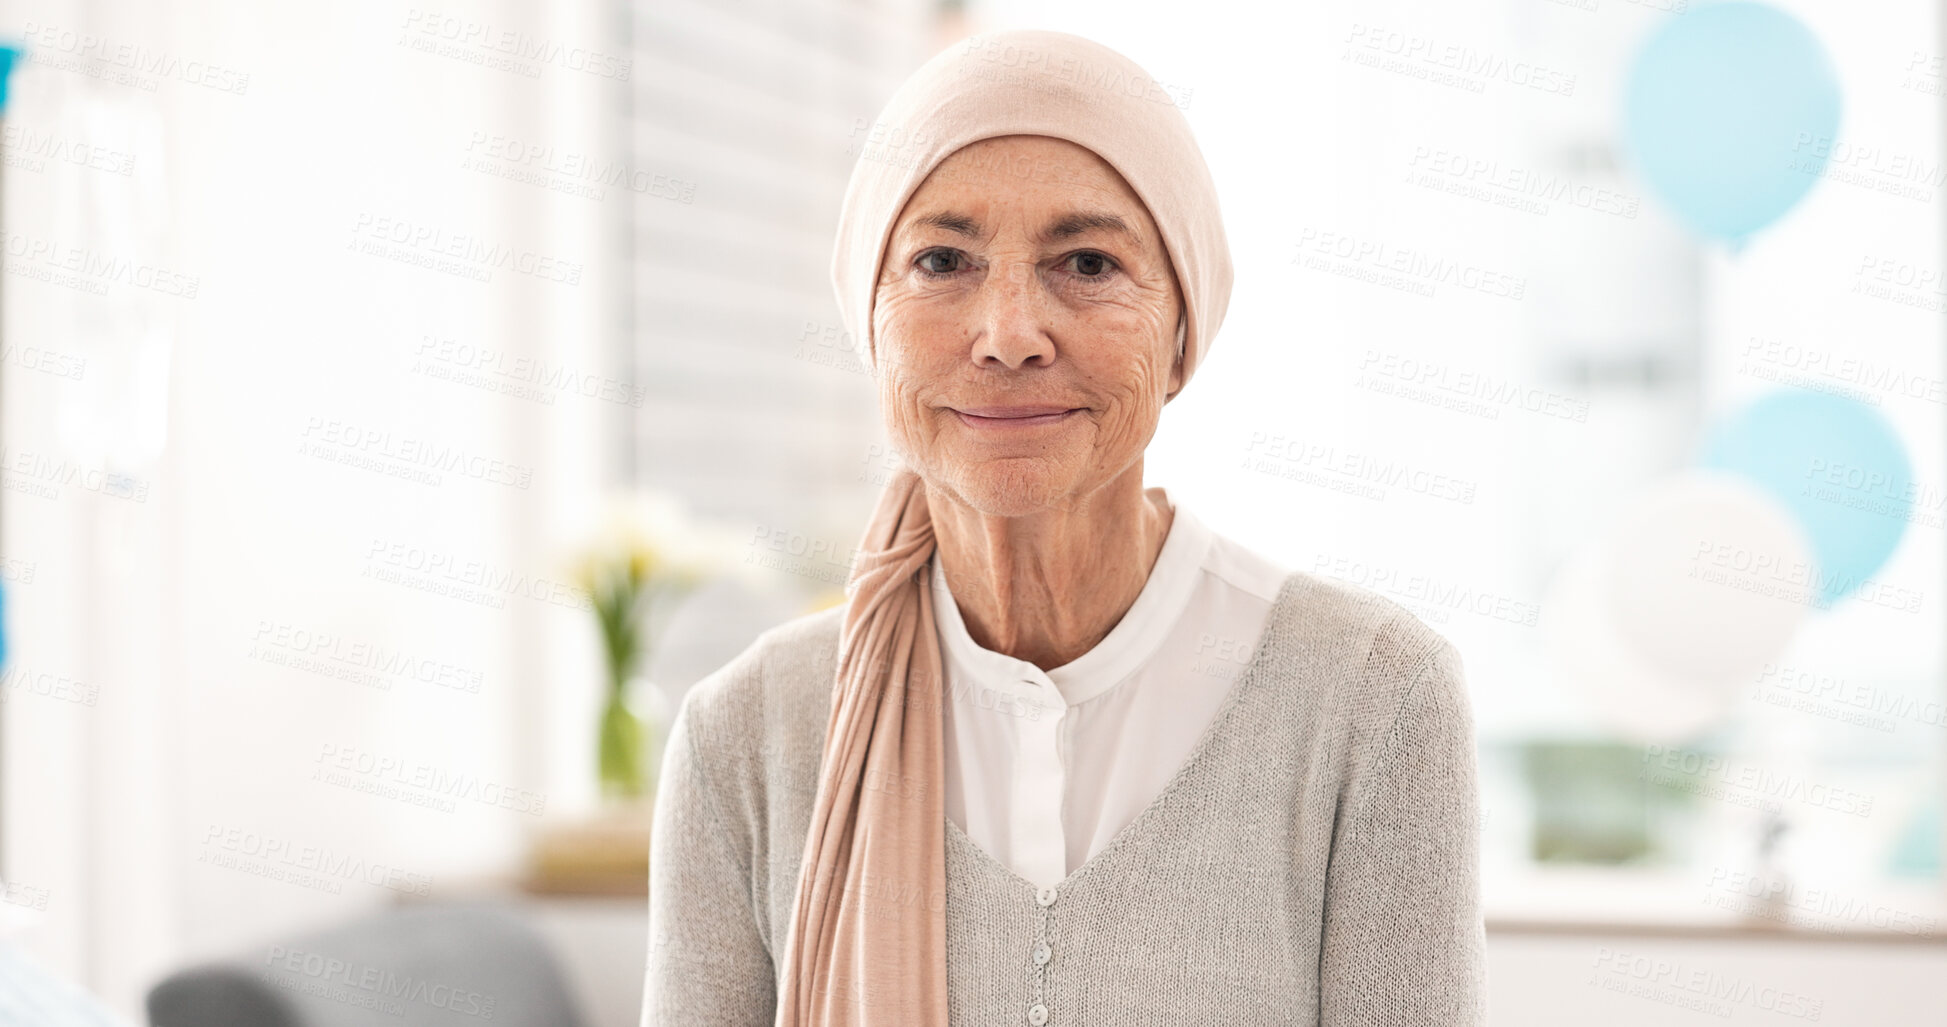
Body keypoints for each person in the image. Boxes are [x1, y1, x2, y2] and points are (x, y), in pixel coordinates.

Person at [643, 27, 1485, 1027]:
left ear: (1184, 329)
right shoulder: (745, 736)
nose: (1008, 334)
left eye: (1087, 262)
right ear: (868, 321)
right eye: (942, 259)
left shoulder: (1373, 702)